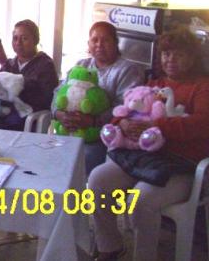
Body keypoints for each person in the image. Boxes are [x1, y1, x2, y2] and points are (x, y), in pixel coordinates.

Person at [89, 27, 209, 261]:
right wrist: (122, 123)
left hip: (182, 167)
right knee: (98, 180)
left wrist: (157, 125)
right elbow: (126, 109)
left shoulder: (202, 87)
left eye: (179, 54)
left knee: (140, 199)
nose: (171, 60)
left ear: (192, 58)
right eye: (166, 54)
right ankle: (110, 247)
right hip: (143, 159)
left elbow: (202, 124)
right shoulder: (155, 83)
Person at [53, 21, 144, 174]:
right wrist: (59, 114)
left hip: (102, 137)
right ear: (88, 44)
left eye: (105, 40)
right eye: (95, 40)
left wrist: (93, 121)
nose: (99, 45)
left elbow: (125, 108)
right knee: (47, 154)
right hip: (68, 130)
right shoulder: (81, 65)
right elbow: (58, 92)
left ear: (116, 43)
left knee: (80, 159)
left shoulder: (128, 70)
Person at [0, 19, 59, 130]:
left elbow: (47, 98)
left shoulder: (45, 65)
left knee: (2, 123)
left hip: (26, 115)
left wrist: (19, 86)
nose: (18, 43)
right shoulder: (10, 64)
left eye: (24, 38)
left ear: (35, 40)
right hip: (3, 109)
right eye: (15, 38)